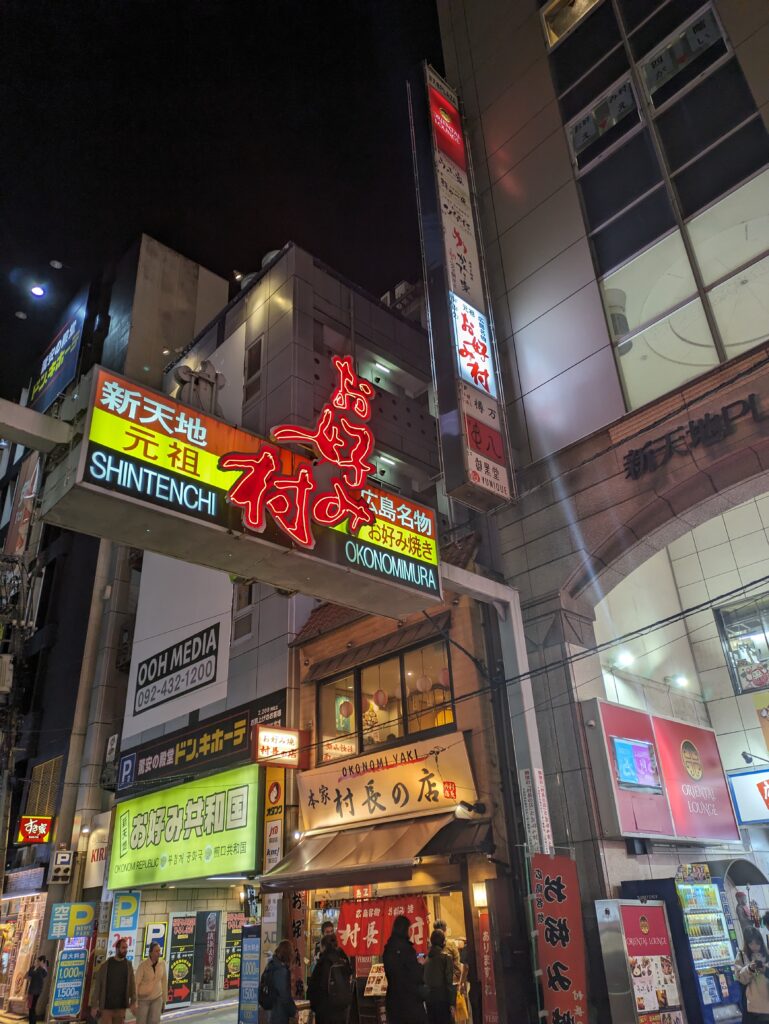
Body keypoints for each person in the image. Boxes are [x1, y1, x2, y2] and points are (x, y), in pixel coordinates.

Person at [383, 915, 427, 1024]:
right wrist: (421, 965)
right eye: (409, 929)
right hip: (409, 1002)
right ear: (405, 930)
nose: (411, 932)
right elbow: (415, 976)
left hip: (393, 1000)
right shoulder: (407, 949)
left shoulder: (388, 949)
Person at [308, 933, 353, 1024]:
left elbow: (314, 986)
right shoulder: (342, 959)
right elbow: (349, 975)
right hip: (342, 1008)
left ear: (324, 946)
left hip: (325, 1010)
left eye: (320, 946)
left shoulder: (323, 961)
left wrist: (313, 1005)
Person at [90, 938, 138, 1024]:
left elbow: (132, 984)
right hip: (106, 1007)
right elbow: (98, 986)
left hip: (121, 1007)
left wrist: (133, 1001)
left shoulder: (128, 965)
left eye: (126, 948)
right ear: (117, 949)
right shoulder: (106, 965)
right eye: (123, 948)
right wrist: (94, 1005)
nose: (125, 950)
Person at [735, 925, 769, 1023]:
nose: (754, 947)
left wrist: (765, 970)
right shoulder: (741, 956)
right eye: (751, 943)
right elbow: (740, 978)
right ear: (747, 943)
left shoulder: (767, 953)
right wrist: (749, 969)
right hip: (752, 1007)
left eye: (757, 943)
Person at [423, 930, 456, 1024]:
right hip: (443, 1000)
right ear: (443, 942)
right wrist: (452, 1004)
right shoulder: (446, 958)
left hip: (429, 1000)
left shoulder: (426, 959)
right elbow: (449, 982)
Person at [134, 941, 168, 1024]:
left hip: (157, 997)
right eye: (156, 951)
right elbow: (136, 983)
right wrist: (134, 1001)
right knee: (141, 1021)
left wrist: (164, 1000)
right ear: (151, 952)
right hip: (143, 999)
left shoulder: (162, 964)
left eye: (159, 951)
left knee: (154, 1021)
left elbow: (164, 981)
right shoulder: (143, 965)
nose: (158, 953)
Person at [265, 940, 297, 1024]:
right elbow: (284, 995)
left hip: (272, 1010)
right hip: (279, 1013)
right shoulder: (281, 970)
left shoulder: (272, 965)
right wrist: (293, 1011)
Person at [25, 955, 47, 1024]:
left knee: (32, 1007)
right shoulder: (33, 968)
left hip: (37, 992)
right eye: (37, 961)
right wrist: (35, 968)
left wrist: (43, 967)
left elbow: (45, 974)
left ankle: (32, 1022)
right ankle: (32, 1022)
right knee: (31, 1008)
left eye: (39, 961)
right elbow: (27, 976)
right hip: (32, 991)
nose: (38, 962)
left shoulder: (43, 970)